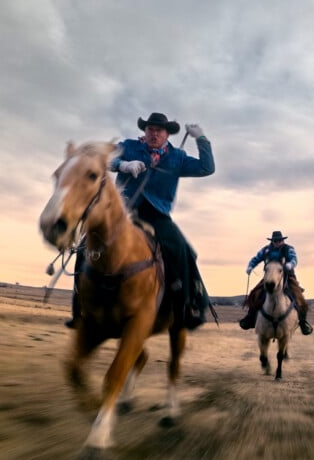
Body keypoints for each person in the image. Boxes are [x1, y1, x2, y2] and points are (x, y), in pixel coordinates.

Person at [66, 112, 215, 330]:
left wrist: (201, 138)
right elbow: (104, 161)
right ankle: (79, 308)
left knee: (183, 250)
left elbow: (206, 168)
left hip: (157, 214)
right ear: (145, 131)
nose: (154, 134)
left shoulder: (178, 157)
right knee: (85, 246)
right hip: (122, 211)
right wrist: (123, 165)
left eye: (159, 130)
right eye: (150, 129)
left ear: (167, 134)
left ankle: (190, 306)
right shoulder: (129, 146)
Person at [239, 231, 313, 335]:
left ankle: (303, 322)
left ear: (283, 240)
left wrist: (290, 265)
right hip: (269, 277)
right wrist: (250, 266)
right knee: (255, 294)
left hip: (288, 277)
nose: (278, 242)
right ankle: (250, 318)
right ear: (272, 241)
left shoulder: (288, 249)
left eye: (280, 240)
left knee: (300, 298)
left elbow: (294, 259)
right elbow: (257, 258)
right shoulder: (266, 250)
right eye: (275, 240)